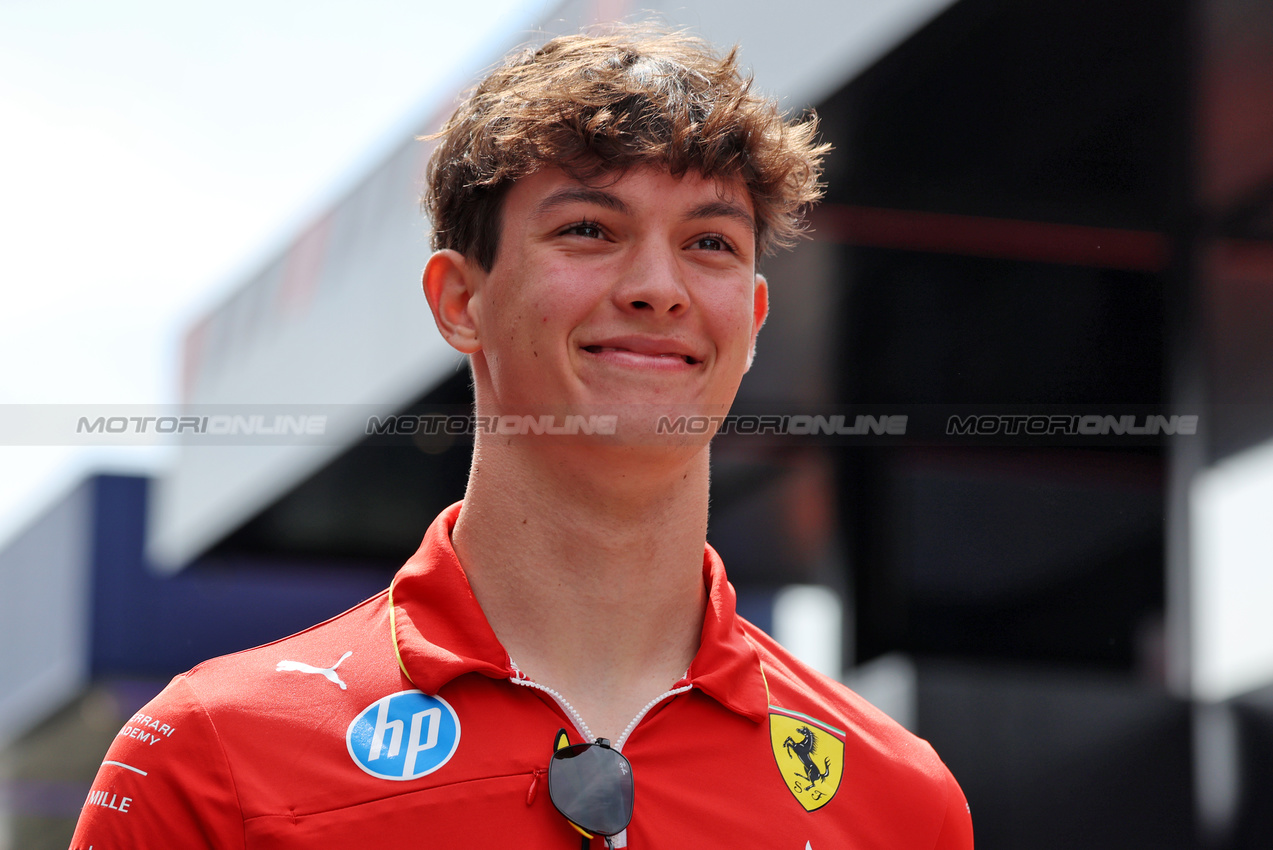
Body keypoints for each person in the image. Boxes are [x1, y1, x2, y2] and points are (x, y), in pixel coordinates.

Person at [71, 25, 973, 849]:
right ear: (460, 302)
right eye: (589, 229)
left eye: (709, 244)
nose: (659, 288)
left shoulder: (900, 799)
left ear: (752, 319)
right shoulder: (211, 756)